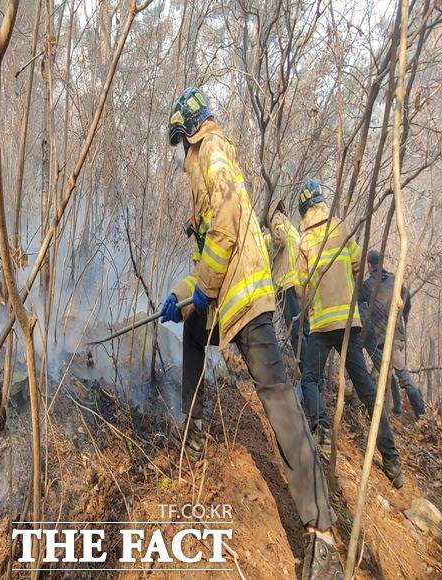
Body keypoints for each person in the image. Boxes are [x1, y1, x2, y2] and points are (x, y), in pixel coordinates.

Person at [161, 87, 344, 579]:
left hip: (245, 301)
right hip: (231, 300)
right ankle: (194, 435)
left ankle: (322, 534)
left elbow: (223, 233)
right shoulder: (209, 164)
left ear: (189, 131)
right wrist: (181, 294)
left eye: (181, 143)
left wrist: (202, 288)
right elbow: (205, 254)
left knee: (280, 401)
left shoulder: (214, 153)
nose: (182, 153)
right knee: (195, 339)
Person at [295, 179, 404, 489]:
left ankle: (323, 431)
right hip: (349, 323)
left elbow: (302, 291)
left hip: (323, 327)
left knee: (310, 379)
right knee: (368, 391)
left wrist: (312, 308)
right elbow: (358, 265)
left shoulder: (304, 243)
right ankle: (392, 459)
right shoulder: (340, 228)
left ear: (303, 211)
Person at [359, 249, 426, 418]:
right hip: (396, 336)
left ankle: (422, 414)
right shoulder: (394, 280)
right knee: (387, 371)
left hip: (386, 339)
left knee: (402, 375)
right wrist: (405, 314)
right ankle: (397, 409)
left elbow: (358, 303)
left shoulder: (367, 285)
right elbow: (407, 296)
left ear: (369, 265)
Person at [265, 198, 309, 370]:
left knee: (295, 332)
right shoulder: (290, 226)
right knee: (304, 330)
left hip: (287, 285)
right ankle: (315, 374)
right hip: (299, 284)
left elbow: (279, 240)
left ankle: (307, 375)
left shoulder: (277, 219)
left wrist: (264, 241)